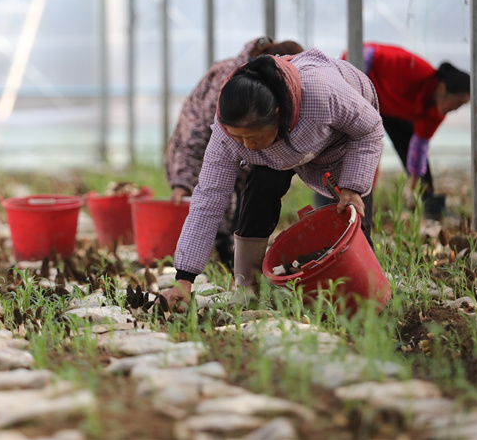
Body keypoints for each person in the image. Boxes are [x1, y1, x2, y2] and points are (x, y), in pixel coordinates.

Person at [161, 48, 384, 307]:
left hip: (340, 139)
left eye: (253, 137)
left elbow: (369, 129)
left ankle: (370, 292)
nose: (247, 145)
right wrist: (184, 279)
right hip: (280, 147)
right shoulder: (226, 135)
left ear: (277, 114)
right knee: (259, 190)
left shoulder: (323, 93)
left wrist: (353, 187)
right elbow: (208, 199)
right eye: (238, 138)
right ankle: (247, 288)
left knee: (351, 213)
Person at [165, 37, 305, 269]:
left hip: (244, 155)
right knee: (213, 205)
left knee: (243, 210)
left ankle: (236, 266)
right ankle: (216, 262)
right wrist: (184, 180)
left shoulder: (271, 87)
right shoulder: (230, 85)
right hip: (201, 154)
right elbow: (195, 136)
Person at [338, 43, 471, 220]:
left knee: (409, 146)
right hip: (363, 89)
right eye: (457, 103)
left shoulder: (435, 113)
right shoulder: (415, 69)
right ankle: (331, 198)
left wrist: (412, 188)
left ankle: (428, 203)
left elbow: (418, 148)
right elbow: (366, 54)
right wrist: (354, 92)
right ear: (442, 89)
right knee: (355, 148)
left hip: (389, 109)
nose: (455, 109)